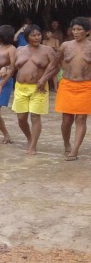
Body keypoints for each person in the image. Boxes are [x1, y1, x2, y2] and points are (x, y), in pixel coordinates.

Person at [41, 17, 91, 161]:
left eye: (79, 29)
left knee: (81, 119)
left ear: (87, 31)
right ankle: (67, 144)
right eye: (74, 29)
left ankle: (74, 150)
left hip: (86, 86)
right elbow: (54, 64)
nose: (75, 32)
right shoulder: (65, 45)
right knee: (66, 120)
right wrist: (43, 78)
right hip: (67, 85)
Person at [10, 25, 56, 155]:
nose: (37, 37)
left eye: (38, 35)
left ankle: (33, 145)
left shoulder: (47, 50)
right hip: (20, 87)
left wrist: (44, 79)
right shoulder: (19, 49)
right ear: (27, 37)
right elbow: (12, 67)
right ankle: (29, 138)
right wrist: (3, 71)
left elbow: (55, 67)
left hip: (39, 88)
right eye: (33, 35)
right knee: (21, 118)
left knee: (35, 116)